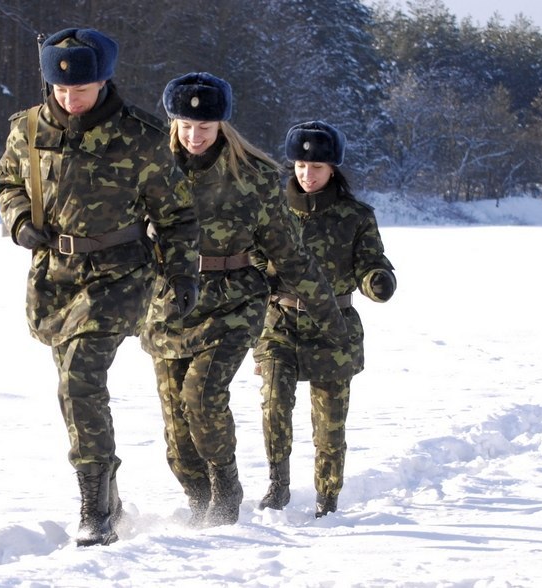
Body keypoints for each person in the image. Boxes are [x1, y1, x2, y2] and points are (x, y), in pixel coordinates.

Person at [0, 28, 200, 547]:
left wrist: (181, 276)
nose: (69, 97)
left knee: (80, 377)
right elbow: (7, 181)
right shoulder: (28, 128)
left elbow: (176, 216)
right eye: (61, 89)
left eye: (80, 88)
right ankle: (107, 490)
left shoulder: (143, 137)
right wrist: (19, 220)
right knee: (73, 386)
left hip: (120, 273)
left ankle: (95, 507)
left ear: (105, 79)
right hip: (54, 279)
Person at [140, 73, 348, 528]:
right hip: (168, 302)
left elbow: (289, 254)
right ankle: (199, 496)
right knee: (177, 434)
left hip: (233, 299)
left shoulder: (252, 177)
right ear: (173, 122)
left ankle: (226, 488)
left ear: (223, 126)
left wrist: (330, 318)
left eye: (206, 127)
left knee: (203, 394)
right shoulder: (148, 167)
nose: (196, 136)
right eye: (187, 125)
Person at [253, 120, 396, 518]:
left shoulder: (355, 216)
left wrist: (377, 281)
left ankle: (326, 498)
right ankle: (278, 485)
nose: (307, 173)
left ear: (333, 169)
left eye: (316, 167)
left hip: (333, 324)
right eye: (300, 165)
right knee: (274, 402)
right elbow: (251, 258)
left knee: (330, 421)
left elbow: (371, 263)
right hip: (279, 321)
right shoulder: (271, 208)